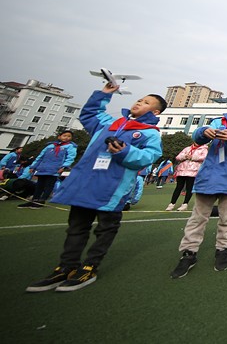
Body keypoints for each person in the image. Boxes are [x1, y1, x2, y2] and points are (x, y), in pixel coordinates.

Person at [26, 83, 164, 292]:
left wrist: (124, 151)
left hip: (112, 188)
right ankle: (66, 266)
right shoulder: (110, 123)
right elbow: (90, 113)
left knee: (106, 228)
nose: (139, 103)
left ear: (155, 112)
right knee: (76, 227)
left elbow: (149, 157)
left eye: (146, 102)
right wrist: (104, 94)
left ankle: (90, 266)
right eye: (139, 99)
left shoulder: (150, 133)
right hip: (85, 184)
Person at [170, 96, 227, 278]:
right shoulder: (217, 121)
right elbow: (197, 138)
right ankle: (189, 253)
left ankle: (223, 250)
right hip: (208, 177)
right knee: (197, 218)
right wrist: (205, 132)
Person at [19, 130, 78, 208]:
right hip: (43, 168)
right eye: (64, 135)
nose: (66, 137)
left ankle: (41, 201)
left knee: (49, 185)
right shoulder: (50, 146)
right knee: (39, 185)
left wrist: (64, 166)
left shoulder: (70, 146)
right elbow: (40, 156)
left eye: (69, 136)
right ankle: (34, 200)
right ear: (59, 136)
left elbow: (70, 157)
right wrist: (33, 166)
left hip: (55, 169)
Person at [166, 142, 208, 211]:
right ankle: (172, 203)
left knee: (189, 188)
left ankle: (185, 204)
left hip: (193, 171)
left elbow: (204, 157)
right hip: (182, 170)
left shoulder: (204, 149)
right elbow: (178, 157)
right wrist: (185, 156)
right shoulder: (187, 148)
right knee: (178, 187)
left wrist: (192, 157)